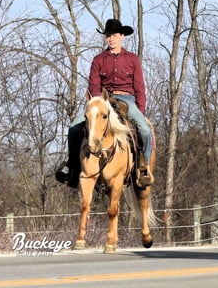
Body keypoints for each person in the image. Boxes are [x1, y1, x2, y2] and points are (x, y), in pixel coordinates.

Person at [56, 18, 154, 188]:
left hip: (127, 100)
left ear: (122, 36)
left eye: (114, 35)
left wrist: (140, 111)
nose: (111, 39)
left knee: (145, 130)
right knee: (73, 128)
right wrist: (99, 103)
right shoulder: (98, 60)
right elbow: (94, 85)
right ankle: (72, 168)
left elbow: (139, 87)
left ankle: (142, 167)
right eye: (108, 35)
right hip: (102, 101)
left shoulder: (132, 60)